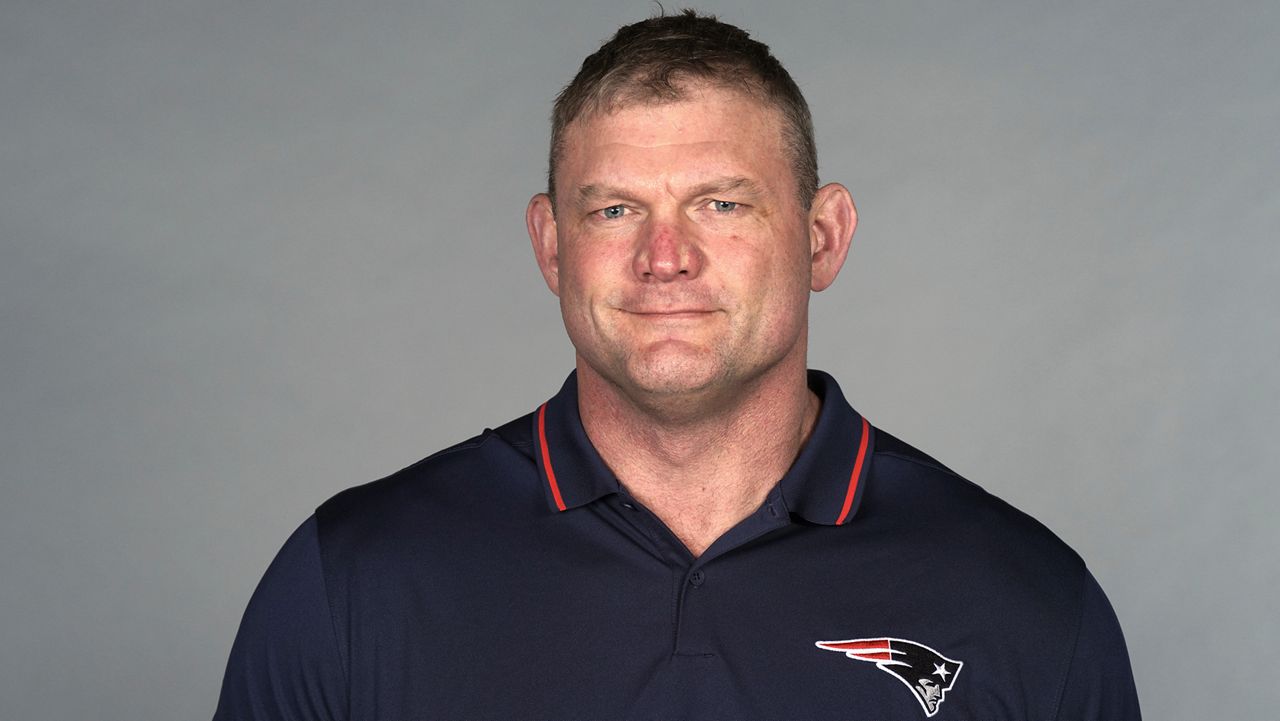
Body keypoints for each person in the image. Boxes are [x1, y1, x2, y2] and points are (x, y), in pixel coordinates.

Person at [214, 10, 1141, 720]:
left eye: (722, 204)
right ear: (549, 245)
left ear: (823, 238)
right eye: (614, 209)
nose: (666, 257)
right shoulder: (353, 581)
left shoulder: (1024, 598)